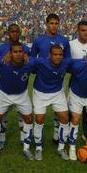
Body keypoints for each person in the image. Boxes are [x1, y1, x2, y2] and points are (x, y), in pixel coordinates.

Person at [0, 42, 34, 161]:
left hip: (22, 95)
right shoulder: (2, 62)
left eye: (20, 52)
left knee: (29, 118)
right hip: (3, 94)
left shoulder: (30, 63)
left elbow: (47, 61)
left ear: (24, 53)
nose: (18, 54)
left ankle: (26, 148)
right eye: (15, 52)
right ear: (10, 53)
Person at [31, 13, 71, 144]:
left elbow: (68, 60)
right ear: (47, 24)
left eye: (56, 23)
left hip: (58, 79)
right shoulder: (38, 40)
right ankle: (38, 141)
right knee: (40, 115)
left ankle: (56, 133)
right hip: (42, 80)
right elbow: (32, 59)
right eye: (51, 23)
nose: (54, 26)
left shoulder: (64, 41)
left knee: (59, 110)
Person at [32, 45, 72, 161]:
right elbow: (27, 59)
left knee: (65, 119)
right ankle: (38, 148)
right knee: (39, 120)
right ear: (49, 55)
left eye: (60, 54)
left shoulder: (66, 62)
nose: (58, 57)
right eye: (55, 54)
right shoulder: (40, 62)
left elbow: (83, 61)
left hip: (57, 93)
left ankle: (61, 148)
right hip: (40, 93)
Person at [0, 23, 30, 149]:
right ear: (8, 33)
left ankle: (23, 138)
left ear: (20, 33)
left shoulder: (26, 49)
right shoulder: (0, 49)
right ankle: (2, 138)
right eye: (12, 31)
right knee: (2, 114)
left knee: (23, 114)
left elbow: (28, 65)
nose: (14, 34)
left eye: (16, 32)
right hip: (5, 87)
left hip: (21, 88)